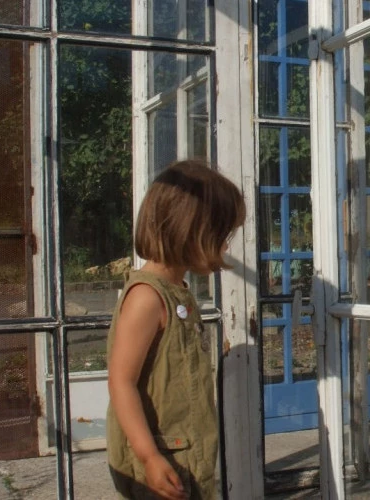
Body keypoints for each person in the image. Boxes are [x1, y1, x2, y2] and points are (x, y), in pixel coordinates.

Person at [106, 159, 246, 499]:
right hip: (159, 466)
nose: (225, 247)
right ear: (192, 231)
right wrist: (148, 456)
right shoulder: (148, 297)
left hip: (186, 458)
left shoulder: (177, 292)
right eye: (221, 235)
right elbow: (121, 382)